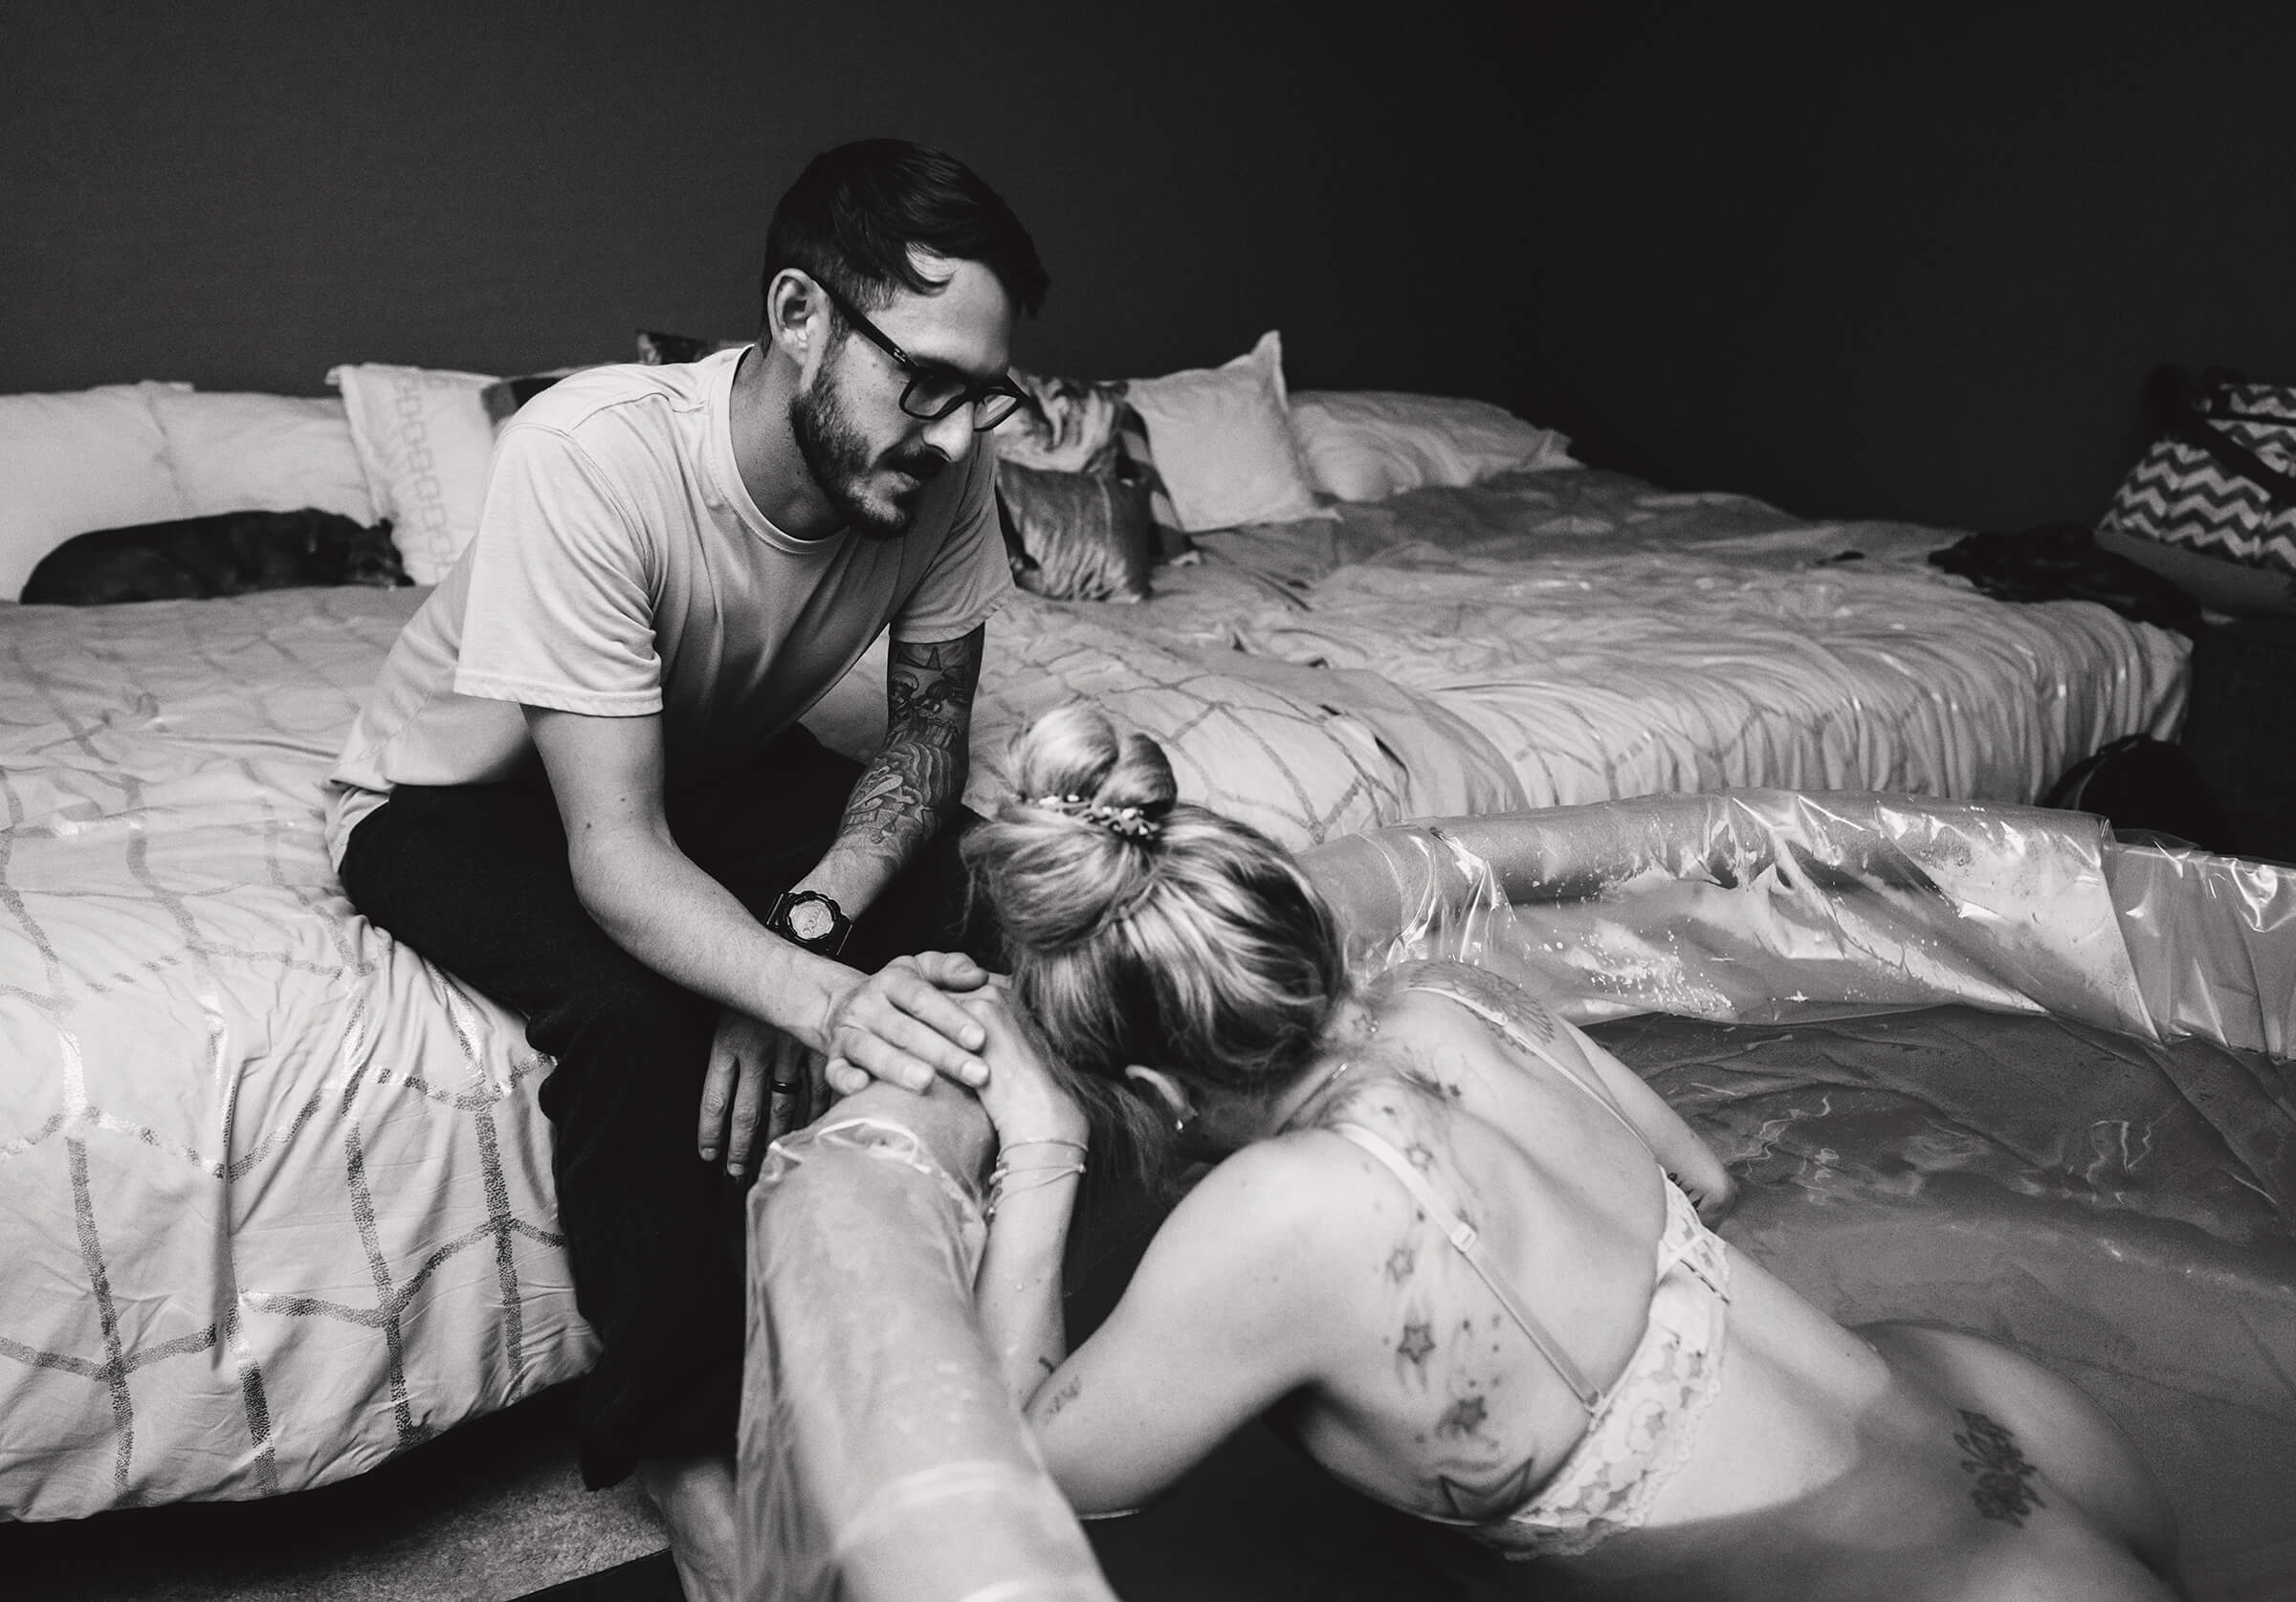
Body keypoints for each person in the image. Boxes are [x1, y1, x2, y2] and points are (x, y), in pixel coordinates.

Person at [953, 705, 2185, 1601]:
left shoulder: (1273, 1215)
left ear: (1157, 1086)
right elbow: (1702, 1180)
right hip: (2011, 1430)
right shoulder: (1461, 998)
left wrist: (1046, 1147)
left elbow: (1018, 1479)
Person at [325, 140, 1048, 1600]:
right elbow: (614, 855)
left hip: (691, 763)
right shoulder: (591, 456)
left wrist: (793, 940)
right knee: (632, 1011)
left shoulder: (944, 474)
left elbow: (921, 751)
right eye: (925, 381)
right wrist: (814, 1000)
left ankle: (907, 1270)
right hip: (455, 793)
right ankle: (680, 1447)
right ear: (798, 316)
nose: (958, 436)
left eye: (984, 394)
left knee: (975, 862)